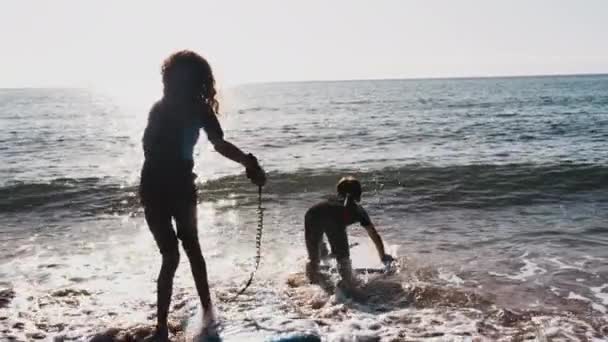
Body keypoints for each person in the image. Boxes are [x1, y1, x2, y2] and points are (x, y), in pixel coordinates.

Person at [139, 50, 266, 341]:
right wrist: (249, 163)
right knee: (172, 255)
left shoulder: (195, 110)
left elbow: (218, 144)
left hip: (173, 188)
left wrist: (248, 162)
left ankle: (206, 316)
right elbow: (150, 148)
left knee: (187, 251)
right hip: (160, 190)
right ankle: (163, 328)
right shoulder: (164, 109)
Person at [304, 176, 393, 290]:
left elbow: (324, 214)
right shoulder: (358, 210)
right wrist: (383, 255)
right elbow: (373, 234)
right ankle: (347, 288)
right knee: (343, 259)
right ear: (359, 194)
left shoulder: (331, 201)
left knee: (314, 257)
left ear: (338, 192)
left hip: (313, 214)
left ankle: (311, 283)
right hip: (334, 220)